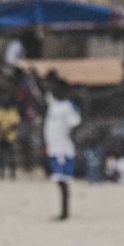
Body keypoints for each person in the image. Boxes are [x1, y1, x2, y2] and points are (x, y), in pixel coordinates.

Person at [42, 74, 82, 221]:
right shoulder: (53, 104)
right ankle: (63, 211)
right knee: (58, 180)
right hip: (53, 147)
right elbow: (43, 91)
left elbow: (75, 124)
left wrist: (71, 140)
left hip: (63, 149)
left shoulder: (67, 107)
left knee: (63, 181)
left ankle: (65, 212)